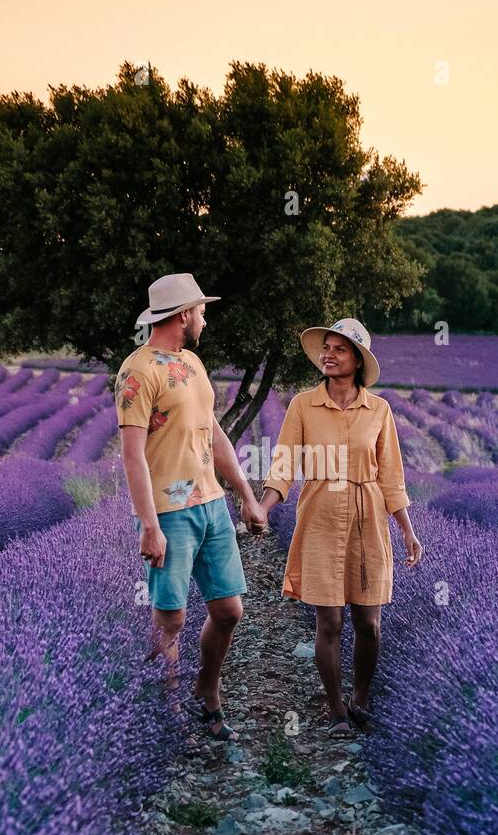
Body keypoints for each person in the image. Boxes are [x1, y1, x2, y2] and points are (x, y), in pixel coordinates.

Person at [116, 272, 267, 741]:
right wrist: (148, 525)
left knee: (229, 610)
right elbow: (132, 454)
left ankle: (207, 689)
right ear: (184, 314)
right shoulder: (138, 371)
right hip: (169, 511)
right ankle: (169, 711)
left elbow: (213, 433)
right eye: (201, 310)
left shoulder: (194, 365)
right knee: (171, 617)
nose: (205, 317)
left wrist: (245, 494)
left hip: (211, 504)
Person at [258, 317, 424, 736]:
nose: (328, 355)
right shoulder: (302, 405)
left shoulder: (379, 410)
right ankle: (335, 710)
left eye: (339, 349)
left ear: (358, 362)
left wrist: (406, 527)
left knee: (368, 622)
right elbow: (284, 465)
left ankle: (361, 698)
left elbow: (391, 476)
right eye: (326, 348)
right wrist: (263, 506)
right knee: (329, 622)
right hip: (319, 517)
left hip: (368, 520)